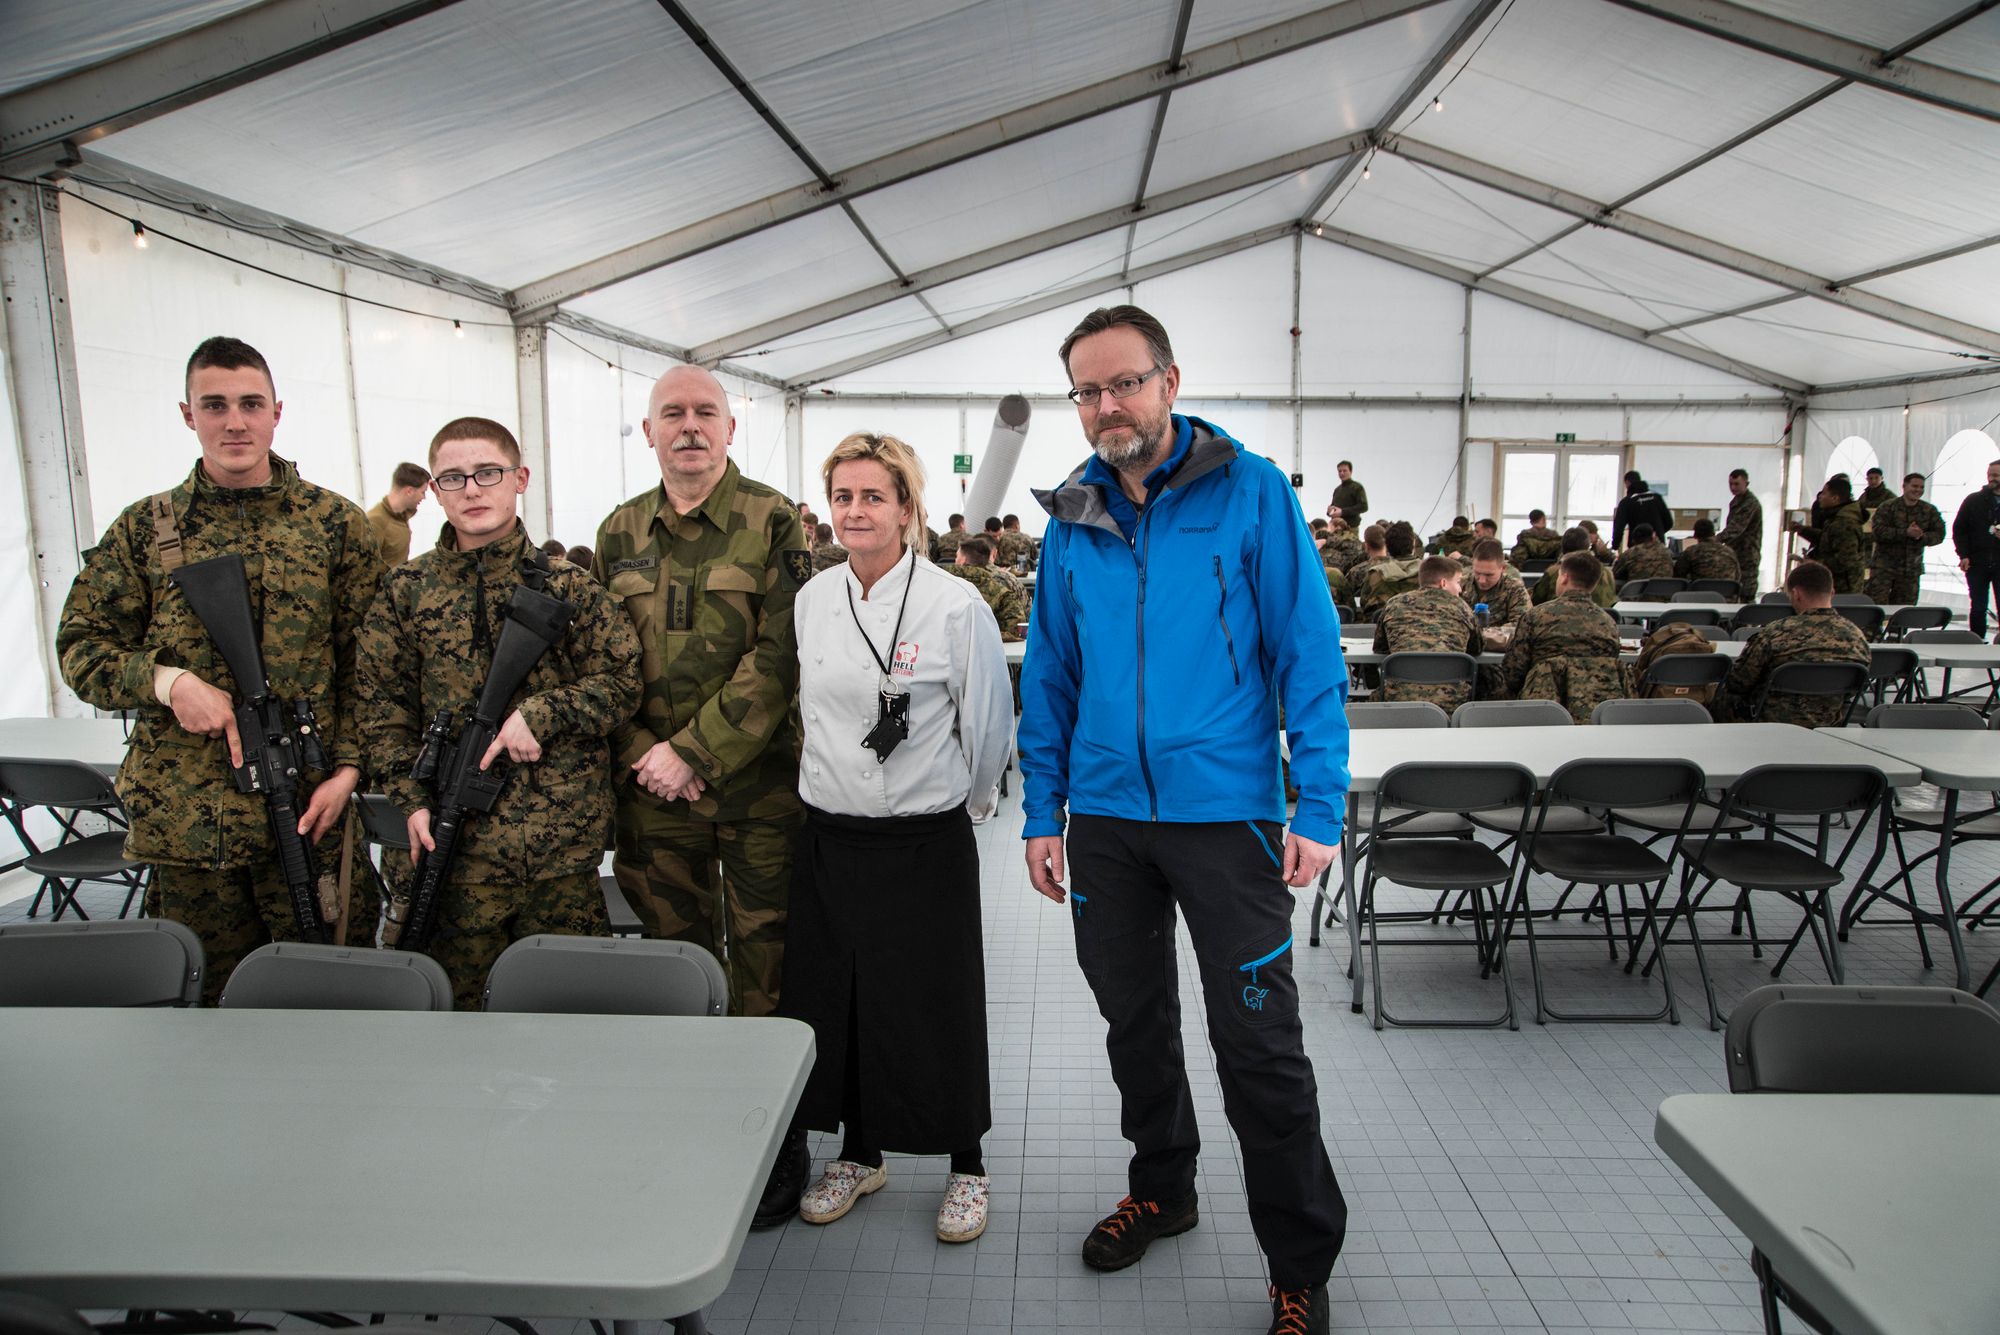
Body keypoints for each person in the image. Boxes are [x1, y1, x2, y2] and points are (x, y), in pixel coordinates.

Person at [1018, 305, 1349, 1335]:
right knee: (1135, 1025)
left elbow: (1308, 653)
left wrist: (1320, 802)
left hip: (1227, 818)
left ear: (1168, 380)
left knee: (1258, 1045)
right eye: (1086, 390)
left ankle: (1297, 1261)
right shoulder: (1069, 518)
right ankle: (1163, 1190)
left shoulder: (1249, 493)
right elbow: (1051, 674)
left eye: (1123, 383)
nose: (1105, 405)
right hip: (1107, 820)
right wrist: (1042, 810)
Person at [56, 336, 382, 1005]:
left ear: (276, 412)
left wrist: (348, 773)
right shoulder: (145, 530)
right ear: (188, 414)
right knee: (199, 1006)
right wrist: (166, 681)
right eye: (215, 404)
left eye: (250, 403)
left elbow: (374, 669)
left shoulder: (335, 524)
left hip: (308, 812)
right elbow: (81, 647)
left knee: (328, 999)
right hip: (190, 827)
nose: (235, 420)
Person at [778, 431, 1013, 1242]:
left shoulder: (956, 604)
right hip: (833, 837)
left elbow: (988, 731)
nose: (855, 511)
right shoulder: (814, 600)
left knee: (937, 998)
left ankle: (967, 1163)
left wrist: (966, 806)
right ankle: (859, 1148)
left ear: (908, 508)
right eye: (842, 496)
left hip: (924, 841)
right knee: (840, 1000)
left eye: (873, 495)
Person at [593, 364, 810, 1222]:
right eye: (671, 414)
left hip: (756, 791)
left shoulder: (773, 520)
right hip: (652, 793)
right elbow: (603, 663)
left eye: (704, 413)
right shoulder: (617, 532)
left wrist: (695, 752)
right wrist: (650, 754)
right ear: (648, 432)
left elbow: (782, 656)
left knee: (766, 965)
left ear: (730, 429)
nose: (689, 426)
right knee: (673, 956)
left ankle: (776, 1134)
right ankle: (689, 1116)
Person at [355, 418, 642, 1008]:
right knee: (448, 1030)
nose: (473, 489)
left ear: (520, 479)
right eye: (453, 477)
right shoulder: (405, 591)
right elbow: (379, 708)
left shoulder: (571, 589)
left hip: (557, 855)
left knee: (571, 1024)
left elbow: (623, 680)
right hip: (447, 855)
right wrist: (409, 801)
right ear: (433, 490)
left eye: (488, 472)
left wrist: (545, 712)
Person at [1721, 561, 1870, 725]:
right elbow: (1855, 688)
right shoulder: (1857, 637)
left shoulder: (1776, 632)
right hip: (1828, 726)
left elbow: (1738, 682)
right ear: (1832, 593)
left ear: (1796, 593)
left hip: (1767, 723)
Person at [1501, 552, 1630, 722]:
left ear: (1564, 577)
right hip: (1596, 711)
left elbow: (1513, 670)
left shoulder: (1537, 616)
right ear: (1594, 583)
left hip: (1542, 710)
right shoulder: (1608, 623)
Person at [1374, 556, 1482, 711]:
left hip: (1399, 700)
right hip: (1452, 701)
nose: (1460, 589)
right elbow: (1476, 648)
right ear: (1443, 583)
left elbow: (1380, 647)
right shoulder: (1463, 608)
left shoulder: (1394, 604)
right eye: (1458, 582)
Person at [1863, 472, 1944, 605]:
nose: (1918, 490)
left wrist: (1922, 536)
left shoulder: (1929, 510)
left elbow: (1939, 534)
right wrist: (1905, 533)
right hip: (1884, 569)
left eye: (1921, 487)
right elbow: (1878, 532)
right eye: (1914, 486)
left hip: (1910, 571)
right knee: (1876, 609)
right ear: (1904, 486)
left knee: (1904, 612)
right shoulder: (1888, 507)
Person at [1951, 458, 2000, 638]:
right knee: (1978, 606)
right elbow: (1959, 529)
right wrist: (1963, 554)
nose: (1991, 479)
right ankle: (1977, 640)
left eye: (1996, 475)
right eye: (1990, 475)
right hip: (1977, 562)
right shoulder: (1973, 500)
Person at [1790, 476, 1864, 594]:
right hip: (1834, 585)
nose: (1820, 497)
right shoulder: (1835, 519)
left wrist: (1815, 564)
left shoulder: (1845, 524)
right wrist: (1803, 530)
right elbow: (1827, 538)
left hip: (1843, 590)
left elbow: (1845, 560)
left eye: (1824, 494)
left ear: (1835, 498)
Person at [949, 534, 1028, 640]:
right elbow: (1019, 628)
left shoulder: (942, 582)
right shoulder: (1005, 588)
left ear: (963, 560)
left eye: (957, 556)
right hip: (992, 651)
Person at [1353, 520, 1423, 622]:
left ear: (1387, 546)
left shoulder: (1375, 575)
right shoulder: (1430, 572)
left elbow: (1365, 606)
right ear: (1413, 544)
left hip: (1382, 628)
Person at [1529, 528, 1616, 609]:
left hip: (1558, 622)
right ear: (1588, 546)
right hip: (1600, 623)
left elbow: (1535, 601)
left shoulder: (1554, 572)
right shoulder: (1607, 573)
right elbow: (1610, 602)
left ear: (1562, 547)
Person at [366, 461, 430, 566]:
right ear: (409, 491)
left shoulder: (402, 514)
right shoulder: (375, 522)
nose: (424, 497)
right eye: (423, 492)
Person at [1462, 539, 1530, 627]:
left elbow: (1521, 626)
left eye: (1489, 575)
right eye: (1477, 573)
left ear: (1503, 568)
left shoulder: (1514, 588)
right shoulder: (1460, 584)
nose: (1482, 580)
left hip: (1500, 639)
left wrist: (1487, 635)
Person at [1718, 470, 1763, 599]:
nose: (1733, 487)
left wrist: (1715, 539)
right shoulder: (1736, 501)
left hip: (1747, 554)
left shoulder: (1750, 503)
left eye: (1736, 484)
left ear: (1746, 483)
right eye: (1730, 484)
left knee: (1746, 593)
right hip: (1736, 552)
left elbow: (1735, 528)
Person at [1611, 471, 1672, 551]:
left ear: (1627, 483)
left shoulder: (1627, 502)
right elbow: (1669, 522)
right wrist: (1657, 533)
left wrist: (1615, 546)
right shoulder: (1657, 498)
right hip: (1658, 546)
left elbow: (1618, 527)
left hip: (1637, 547)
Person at [1673, 518, 1741, 586]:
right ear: (1713, 533)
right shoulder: (1730, 551)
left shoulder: (1691, 552)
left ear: (1695, 535)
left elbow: (1678, 577)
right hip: (1726, 594)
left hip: (1701, 595)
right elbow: (1738, 576)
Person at [1326, 459, 1367, 530]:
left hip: (1351, 528)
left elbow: (1363, 506)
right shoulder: (1337, 490)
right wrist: (1330, 511)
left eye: (1345, 471)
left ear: (1350, 472)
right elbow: (1334, 508)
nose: (1342, 473)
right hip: (1336, 528)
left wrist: (1343, 512)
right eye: (1339, 471)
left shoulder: (1357, 487)